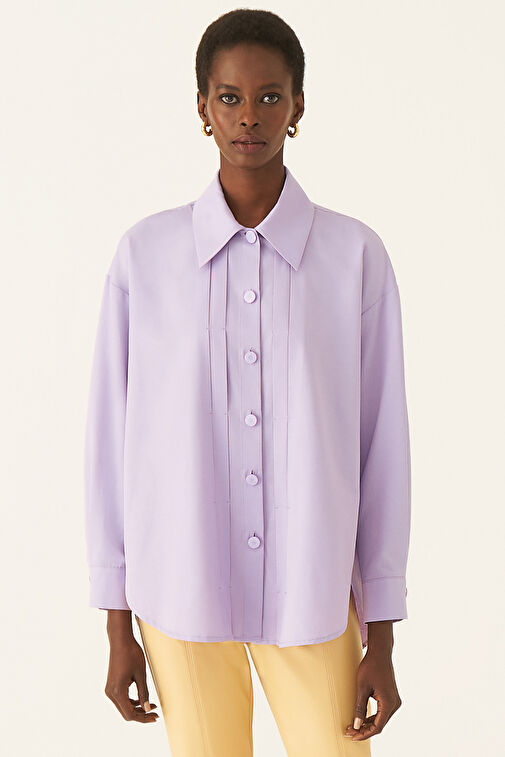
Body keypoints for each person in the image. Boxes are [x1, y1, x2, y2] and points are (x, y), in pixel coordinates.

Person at [84, 8, 411, 756]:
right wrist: (115, 622)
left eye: (270, 96)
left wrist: (383, 634)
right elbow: (111, 442)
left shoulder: (354, 258)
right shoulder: (145, 257)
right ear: (202, 107)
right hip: (178, 593)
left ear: (298, 107)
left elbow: (381, 448)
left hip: (312, 594)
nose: (249, 116)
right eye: (229, 97)